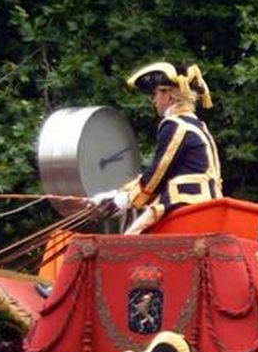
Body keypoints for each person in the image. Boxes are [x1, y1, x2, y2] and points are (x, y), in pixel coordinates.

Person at [92, 62, 222, 234]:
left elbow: (156, 175)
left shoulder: (175, 124)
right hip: (207, 202)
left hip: (185, 203)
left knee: (129, 242)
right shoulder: (198, 126)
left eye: (155, 94)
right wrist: (117, 194)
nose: (154, 100)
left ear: (169, 96)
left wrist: (125, 200)